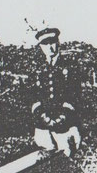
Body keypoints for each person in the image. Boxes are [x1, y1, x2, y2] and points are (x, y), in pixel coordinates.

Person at [29, 27, 81, 157]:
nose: (50, 47)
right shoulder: (37, 68)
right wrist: (42, 116)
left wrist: (62, 118)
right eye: (45, 44)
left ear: (58, 43)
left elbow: (74, 94)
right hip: (43, 124)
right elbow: (32, 95)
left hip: (65, 124)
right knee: (47, 160)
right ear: (40, 46)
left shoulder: (69, 66)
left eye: (52, 42)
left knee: (66, 157)